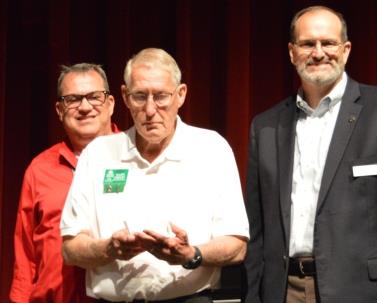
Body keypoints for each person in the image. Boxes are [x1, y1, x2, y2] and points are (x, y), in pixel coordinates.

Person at [244, 5, 377, 303]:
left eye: (328, 43)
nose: (318, 52)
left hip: (365, 293)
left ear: (346, 50)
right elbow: (257, 231)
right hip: (283, 291)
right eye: (307, 44)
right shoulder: (265, 127)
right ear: (292, 52)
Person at [60, 48, 249, 303]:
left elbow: (236, 244)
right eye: (140, 96)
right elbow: (71, 248)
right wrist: (109, 249)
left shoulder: (211, 149)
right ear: (125, 97)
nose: (150, 110)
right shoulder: (98, 155)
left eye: (160, 96)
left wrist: (191, 254)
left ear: (181, 95)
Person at [10, 63, 118, 303]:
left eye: (94, 97)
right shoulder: (40, 169)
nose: (85, 107)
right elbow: (25, 254)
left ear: (110, 104)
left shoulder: (133, 159)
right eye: (73, 99)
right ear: (59, 110)